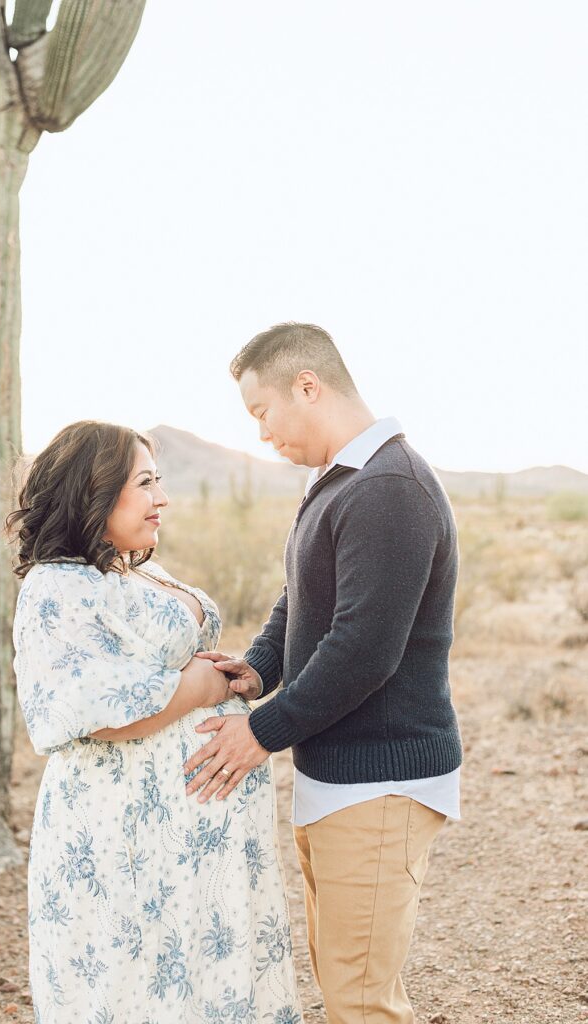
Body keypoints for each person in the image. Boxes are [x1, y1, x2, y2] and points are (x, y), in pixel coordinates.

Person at [183, 323, 463, 1024]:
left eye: (261, 412)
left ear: (307, 386)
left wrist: (261, 733)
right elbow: (303, 595)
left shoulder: (388, 487)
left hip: (380, 778)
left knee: (361, 1002)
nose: (261, 434)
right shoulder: (341, 482)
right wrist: (259, 667)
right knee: (344, 984)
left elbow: (365, 647)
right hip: (343, 776)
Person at [8, 420, 302, 1024]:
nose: (160, 497)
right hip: (125, 839)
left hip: (193, 842)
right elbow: (81, 707)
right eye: (144, 483)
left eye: (158, 481)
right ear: (94, 490)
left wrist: (228, 672)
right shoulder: (57, 585)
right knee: (134, 983)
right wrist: (196, 686)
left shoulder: (131, 568)